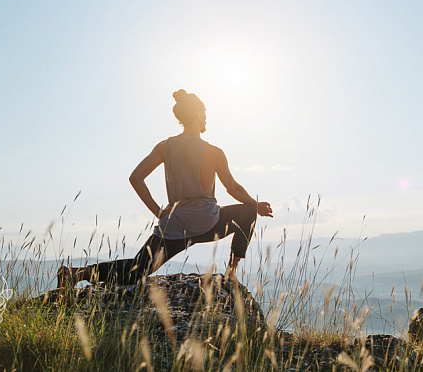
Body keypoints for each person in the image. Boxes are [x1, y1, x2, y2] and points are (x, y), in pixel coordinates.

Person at [56, 89, 273, 289]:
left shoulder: (164, 147)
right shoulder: (214, 152)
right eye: (204, 113)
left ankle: (76, 273)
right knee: (247, 212)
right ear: (198, 114)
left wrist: (158, 212)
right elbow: (232, 188)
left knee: (138, 269)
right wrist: (256, 205)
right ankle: (231, 273)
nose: (206, 117)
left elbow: (136, 178)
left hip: (175, 225)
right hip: (208, 222)